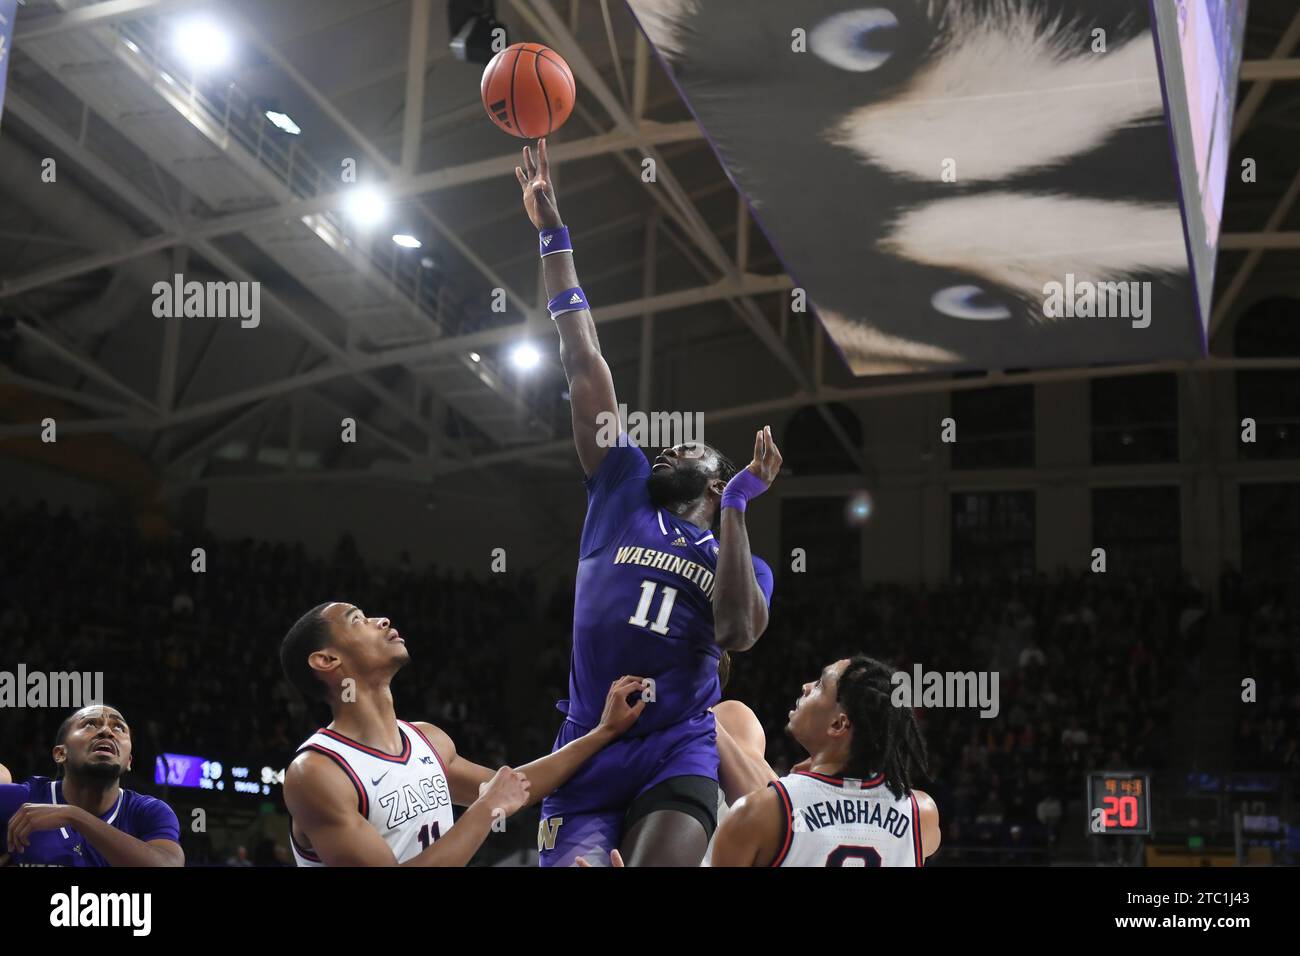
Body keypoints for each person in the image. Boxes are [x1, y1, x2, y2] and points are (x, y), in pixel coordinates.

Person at [516, 138, 780, 866]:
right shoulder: (623, 484)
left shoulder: (744, 563)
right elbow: (583, 360)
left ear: (722, 481)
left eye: (690, 452)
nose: (670, 451)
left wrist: (735, 514)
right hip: (587, 745)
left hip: (676, 750)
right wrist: (552, 236)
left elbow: (735, 634)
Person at [280, 601, 645, 866]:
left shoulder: (428, 740)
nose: (381, 619)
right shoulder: (317, 773)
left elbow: (515, 787)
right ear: (326, 660)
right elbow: (495, 799)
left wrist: (603, 731)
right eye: (358, 619)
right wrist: (486, 809)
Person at [712, 656, 941, 866]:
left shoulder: (760, 811)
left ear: (838, 725)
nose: (806, 687)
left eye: (820, 685)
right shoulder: (921, 813)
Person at [1, 705, 183, 866]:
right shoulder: (23, 800)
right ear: (60, 754)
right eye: (90, 724)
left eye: (119, 727)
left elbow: (169, 864)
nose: (107, 731)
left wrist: (73, 815)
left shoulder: (148, 811)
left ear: (128, 761)